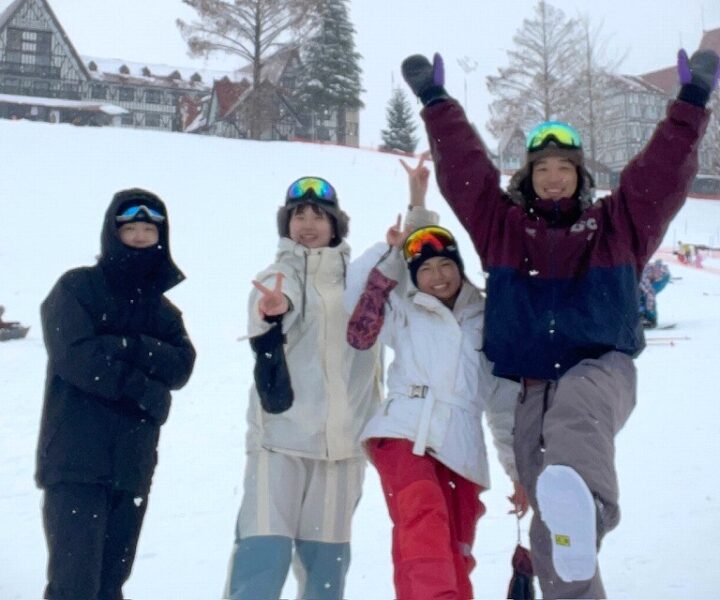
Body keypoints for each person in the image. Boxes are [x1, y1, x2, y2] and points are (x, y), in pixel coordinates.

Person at [401, 47, 720, 598]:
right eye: (542, 168)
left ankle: (589, 513)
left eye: (564, 168)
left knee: (575, 417)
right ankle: (571, 542)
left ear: (580, 175)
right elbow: (466, 174)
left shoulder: (618, 225)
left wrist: (690, 102)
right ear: (528, 174)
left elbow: (660, 173)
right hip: (529, 387)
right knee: (553, 540)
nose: (553, 178)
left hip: (600, 368)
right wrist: (436, 102)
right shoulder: (501, 227)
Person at [344, 156, 525, 599]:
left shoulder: (488, 317)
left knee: (452, 548)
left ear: (459, 267)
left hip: (462, 444)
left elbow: (502, 403)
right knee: (422, 516)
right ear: (413, 278)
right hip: (405, 429)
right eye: (424, 269)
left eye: (445, 265)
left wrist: (517, 472)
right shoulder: (402, 310)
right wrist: (408, 223)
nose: (437, 276)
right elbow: (358, 318)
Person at [225, 177, 381, 600]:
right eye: (299, 216)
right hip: (280, 442)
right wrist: (272, 309)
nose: (308, 224)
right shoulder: (278, 274)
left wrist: (420, 209)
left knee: (325, 578)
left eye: (318, 216)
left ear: (335, 225)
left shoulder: (361, 280)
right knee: (261, 564)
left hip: (342, 448)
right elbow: (274, 303)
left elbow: (412, 272)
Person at [35, 189, 196, 600]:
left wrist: (131, 346)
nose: (141, 237)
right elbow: (76, 357)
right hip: (75, 460)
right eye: (131, 229)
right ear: (113, 232)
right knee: (74, 585)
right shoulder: (76, 288)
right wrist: (144, 386)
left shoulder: (163, 310)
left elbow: (182, 365)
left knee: (110, 584)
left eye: (149, 229)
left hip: (132, 463)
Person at [639, 259, 672, 328]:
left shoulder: (642, 278)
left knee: (648, 296)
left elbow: (650, 294)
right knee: (641, 296)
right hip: (652, 275)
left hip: (663, 276)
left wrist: (650, 313)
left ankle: (651, 319)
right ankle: (643, 316)